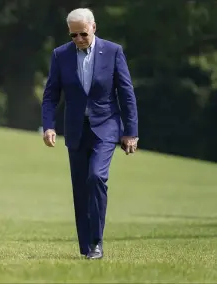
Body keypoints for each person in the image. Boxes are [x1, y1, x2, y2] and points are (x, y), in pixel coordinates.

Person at [41, 8, 139, 259]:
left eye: (83, 34)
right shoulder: (60, 55)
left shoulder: (113, 52)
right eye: (73, 35)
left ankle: (97, 243)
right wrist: (49, 126)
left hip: (105, 125)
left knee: (96, 177)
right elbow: (51, 94)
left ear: (94, 27)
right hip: (75, 129)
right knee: (80, 189)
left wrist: (131, 132)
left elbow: (126, 94)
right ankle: (86, 247)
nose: (79, 40)